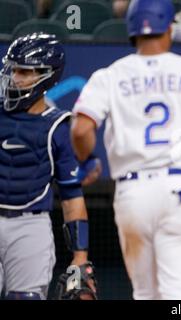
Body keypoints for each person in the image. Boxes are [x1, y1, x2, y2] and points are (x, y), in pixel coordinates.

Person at [70, 0, 181, 300]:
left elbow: (81, 129)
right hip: (179, 186)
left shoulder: (110, 74)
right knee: (179, 293)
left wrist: (87, 160)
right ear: (169, 26)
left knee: (145, 293)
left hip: (132, 191)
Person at [0, 33, 98, 300]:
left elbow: (71, 195)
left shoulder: (59, 127)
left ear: (47, 75)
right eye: (12, 69)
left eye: (24, 71)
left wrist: (80, 257)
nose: (15, 78)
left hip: (30, 225)